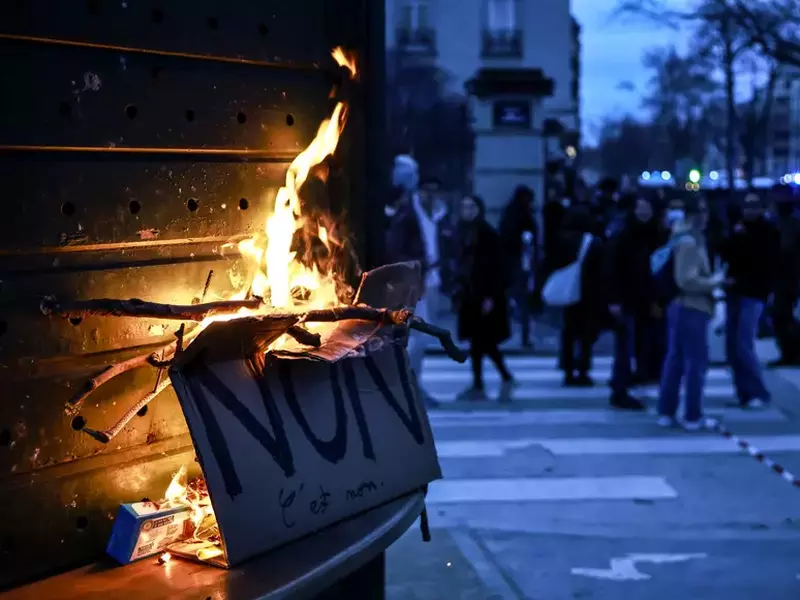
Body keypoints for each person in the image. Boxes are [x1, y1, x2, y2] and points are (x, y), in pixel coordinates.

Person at [657, 196, 725, 430]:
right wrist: (715, 282)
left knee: (675, 360)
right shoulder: (689, 241)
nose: (706, 217)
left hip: (680, 306)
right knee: (694, 362)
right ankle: (692, 415)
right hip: (691, 305)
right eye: (702, 212)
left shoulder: (681, 236)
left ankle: (667, 410)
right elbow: (686, 280)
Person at [385, 155, 446, 408]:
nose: (430, 195)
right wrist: (417, 265)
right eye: (425, 190)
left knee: (420, 337)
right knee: (417, 337)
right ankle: (409, 387)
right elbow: (395, 248)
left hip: (432, 281)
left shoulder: (440, 214)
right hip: (414, 283)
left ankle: (412, 385)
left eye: (434, 191)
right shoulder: (408, 213)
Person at [452, 194, 514, 401]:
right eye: (464, 207)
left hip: (483, 295)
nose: (467, 211)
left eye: (471, 207)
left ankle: (480, 383)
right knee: (481, 341)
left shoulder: (487, 234)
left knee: (480, 341)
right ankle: (501, 376)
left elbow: (497, 267)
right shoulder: (463, 232)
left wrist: (491, 295)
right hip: (470, 294)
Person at [720, 192, 778, 408]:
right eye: (747, 206)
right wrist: (735, 236)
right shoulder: (738, 230)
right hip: (736, 291)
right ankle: (743, 391)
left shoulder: (768, 232)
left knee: (744, 343)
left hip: (753, 292)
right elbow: (727, 254)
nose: (750, 210)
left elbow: (766, 264)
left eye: (754, 206)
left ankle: (758, 391)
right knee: (732, 346)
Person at [605, 195, 660, 410]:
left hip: (641, 299)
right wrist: (613, 299)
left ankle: (626, 383)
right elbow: (611, 268)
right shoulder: (624, 235)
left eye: (648, 208)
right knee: (625, 347)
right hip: (626, 299)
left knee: (636, 345)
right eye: (641, 208)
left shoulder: (651, 235)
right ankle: (620, 389)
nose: (645, 213)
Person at [555, 205, 608, 386]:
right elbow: (601, 271)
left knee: (568, 332)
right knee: (585, 335)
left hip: (567, 292)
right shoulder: (594, 242)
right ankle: (583, 370)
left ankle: (568, 370)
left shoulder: (560, 240)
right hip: (588, 294)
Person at [499, 185, 539, 348]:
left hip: (513, 263)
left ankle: (516, 335)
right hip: (519, 263)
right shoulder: (522, 216)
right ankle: (524, 336)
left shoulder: (510, 214)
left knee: (514, 300)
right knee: (522, 301)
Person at [769, 189, 800, 367]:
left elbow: (785, 250)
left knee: (782, 315)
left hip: (788, 277)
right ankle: (790, 352)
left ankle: (791, 353)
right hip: (785, 277)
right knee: (782, 315)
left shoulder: (789, 224)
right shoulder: (786, 223)